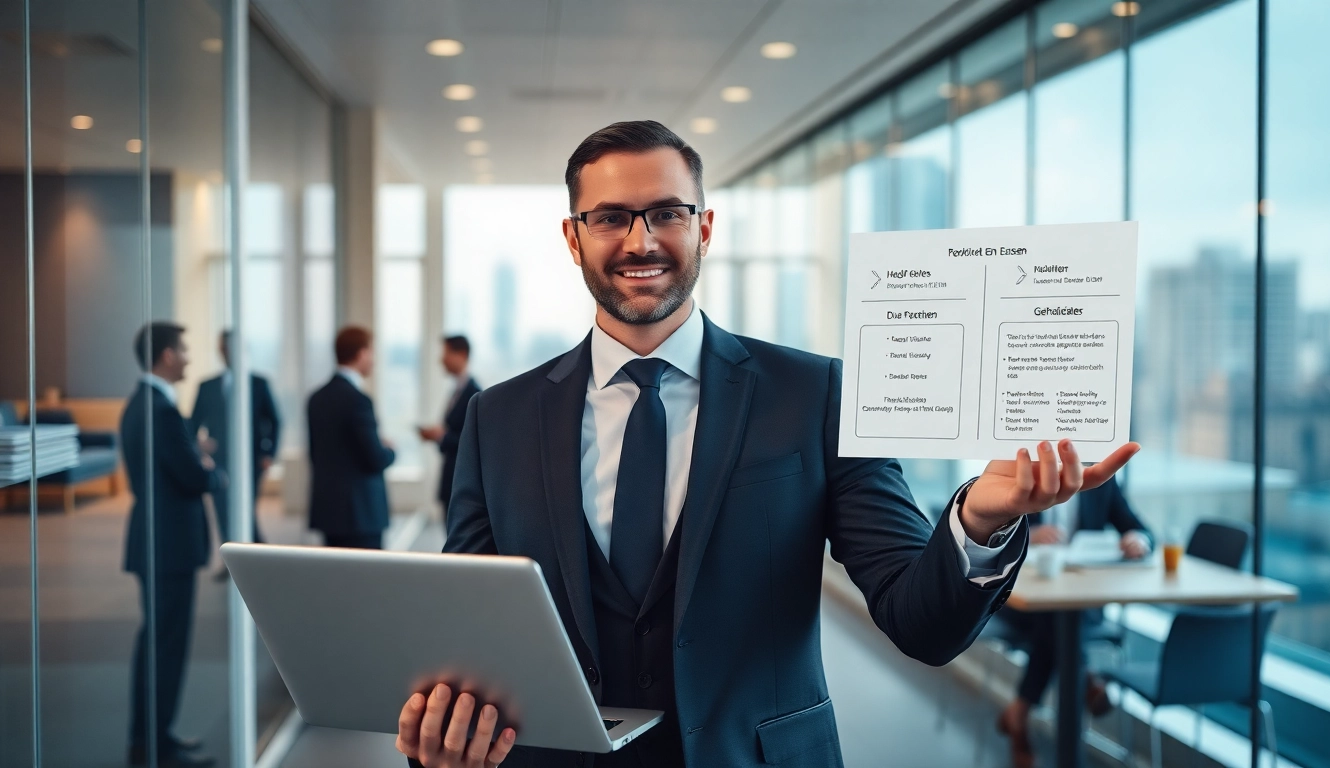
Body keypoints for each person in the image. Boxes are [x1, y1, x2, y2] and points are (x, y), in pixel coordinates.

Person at [394, 121, 1140, 768]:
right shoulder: (500, 417)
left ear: (706, 228)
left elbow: (921, 622)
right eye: (611, 217)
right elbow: (472, 632)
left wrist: (980, 517)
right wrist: (443, 729)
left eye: (667, 213)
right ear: (573, 236)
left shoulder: (816, 395)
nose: (641, 240)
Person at [994, 477, 1152, 768]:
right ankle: (1086, 674)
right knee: (1056, 622)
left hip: (1078, 604)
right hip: (1018, 599)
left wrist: (1137, 540)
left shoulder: (1101, 482)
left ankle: (1020, 710)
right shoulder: (1024, 474)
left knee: (1058, 622)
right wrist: (1028, 532)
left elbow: (1138, 527)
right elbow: (989, 532)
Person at [121, 322, 221, 768]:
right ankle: (155, 745)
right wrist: (205, 460)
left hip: (158, 542)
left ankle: (152, 739)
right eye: (183, 349)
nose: (187, 358)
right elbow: (195, 476)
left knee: (156, 643)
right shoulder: (160, 410)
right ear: (165, 356)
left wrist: (192, 453)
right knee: (165, 646)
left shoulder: (141, 405)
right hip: (168, 546)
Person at [189, 330, 281, 557]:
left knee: (245, 510)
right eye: (223, 348)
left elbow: (275, 420)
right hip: (219, 460)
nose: (226, 352)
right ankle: (233, 559)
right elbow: (193, 424)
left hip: (252, 460)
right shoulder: (207, 386)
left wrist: (269, 453)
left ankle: (257, 557)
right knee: (222, 510)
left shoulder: (259, 383)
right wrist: (199, 448)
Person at [307, 326, 396, 549]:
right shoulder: (358, 400)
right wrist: (390, 450)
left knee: (334, 580)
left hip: (329, 511)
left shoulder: (316, 398)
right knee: (366, 581)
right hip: (361, 515)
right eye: (372, 352)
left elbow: (316, 454)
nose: (374, 360)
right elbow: (375, 458)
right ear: (361, 353)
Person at [418, 335, 481, 527]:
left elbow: (473, 442)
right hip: (451, 478)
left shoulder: (474, 394)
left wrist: (442, 437)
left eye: (445, 353)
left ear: (461, 354)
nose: (441, 360)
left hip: (461, 482)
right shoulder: (457, 391)